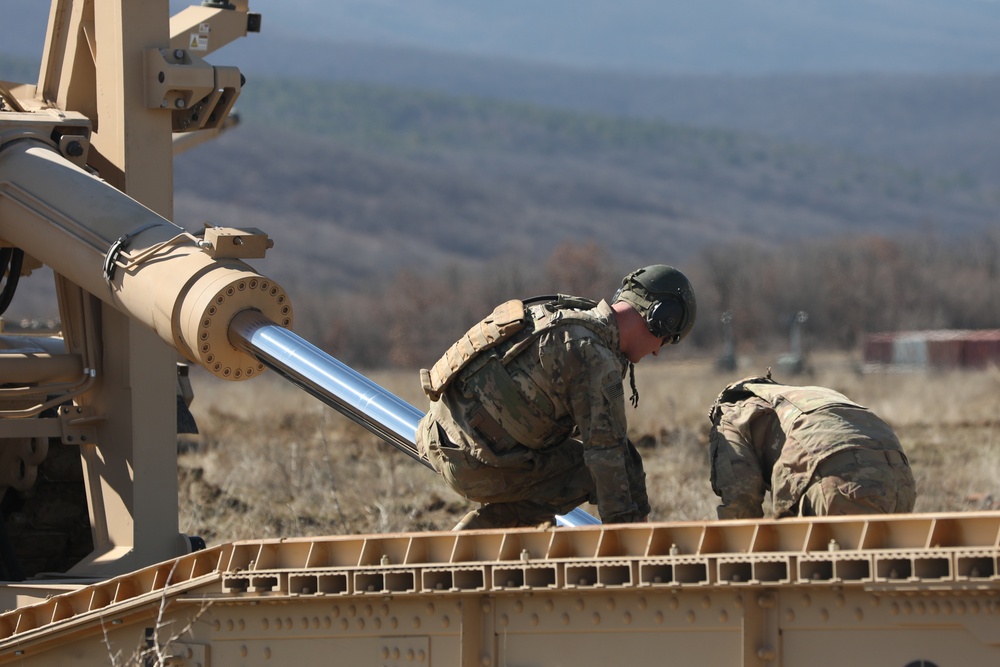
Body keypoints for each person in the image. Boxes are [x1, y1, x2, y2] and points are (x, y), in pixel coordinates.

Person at [415, 264, 697, 529]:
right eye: (666, 339)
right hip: (475, 464)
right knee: (624, 465)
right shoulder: (594, 356)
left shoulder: (565, 315)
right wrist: (624, 538)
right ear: (659, 319)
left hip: (437, 435)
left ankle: (475, 547)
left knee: (593, 462)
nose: (658, 351)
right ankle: (637, 557)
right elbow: (606, 455)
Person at [707, 373, 916, 519]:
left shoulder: (731, 412)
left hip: (837, 483)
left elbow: (742, 500)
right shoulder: (804, 395)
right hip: (900, 479)